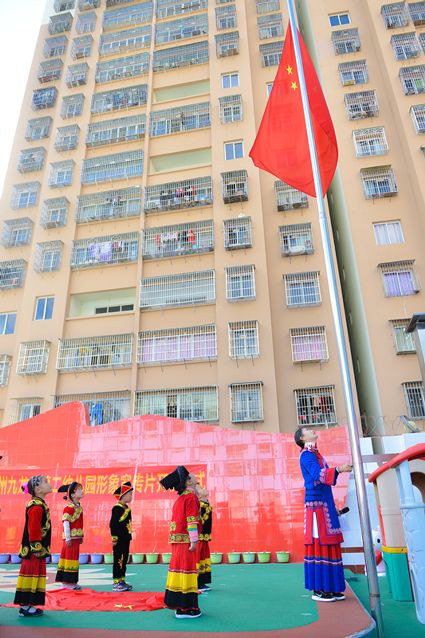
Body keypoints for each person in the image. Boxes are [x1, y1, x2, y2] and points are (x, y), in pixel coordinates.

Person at [294, 427, 352, 603]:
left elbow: (323, 477)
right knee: (320, 543)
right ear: (303, 438)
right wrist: (339, 469)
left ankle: (331, 587)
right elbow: (318, 475)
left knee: (330, 543)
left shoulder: (315, 454)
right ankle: (319, 589)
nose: (313, 430)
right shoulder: (306, 455)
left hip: (325, 502)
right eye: (307, 430)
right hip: (317, 506)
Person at [160, 466, 202, 619]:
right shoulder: (191, 497)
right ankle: (187, 608)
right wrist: (194, 541)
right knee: (187, 571)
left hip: (178, 542)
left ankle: (178, 606)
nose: (195, 475)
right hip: (186, 542)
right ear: (188, 482)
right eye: (191, 475)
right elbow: (191, 520)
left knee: (178, 571)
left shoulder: (180, 499)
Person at [14, 475, 52, 617]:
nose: (49, 484)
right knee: (30, 575)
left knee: (35, 576)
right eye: (45, 482)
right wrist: (36, 547)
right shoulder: (35, 506)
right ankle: (25, 607)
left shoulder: (40, 504)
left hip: (37, 549)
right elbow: (33, 528)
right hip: (33, 551)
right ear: (37, 489)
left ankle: (29, 605)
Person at [55, 482, 84, 590]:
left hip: (75, 539)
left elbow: (80, 523)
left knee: (74, 559)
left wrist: (81, 536)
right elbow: (66, 523)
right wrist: (68, 537)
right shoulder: (68, 508)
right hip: (70, 539)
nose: (82, 491)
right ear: (72, 494)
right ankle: (66, 582)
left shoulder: (79, 507)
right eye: (79, 490)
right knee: (69, 559)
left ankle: (72, 582)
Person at [110, 481, 133, 592]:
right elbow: (113, 524)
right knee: (118, 560)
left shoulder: (127, 508)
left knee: (124, 560)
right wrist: (114, 538)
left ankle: (122, 580)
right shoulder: (117, 509)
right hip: (119, 540)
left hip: (126, 539)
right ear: (123, 495)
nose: (131, 496)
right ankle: (116, 582)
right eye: (130, 494)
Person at [195, 485, 212, 593]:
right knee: (197, 559)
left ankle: (201, 582)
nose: (203, 488)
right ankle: (194, 582)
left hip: (205, 537)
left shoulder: (205, 503)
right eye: (200, 488)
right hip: (198, 537)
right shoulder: (198, 505)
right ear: (198, 495)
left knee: (204, 559)